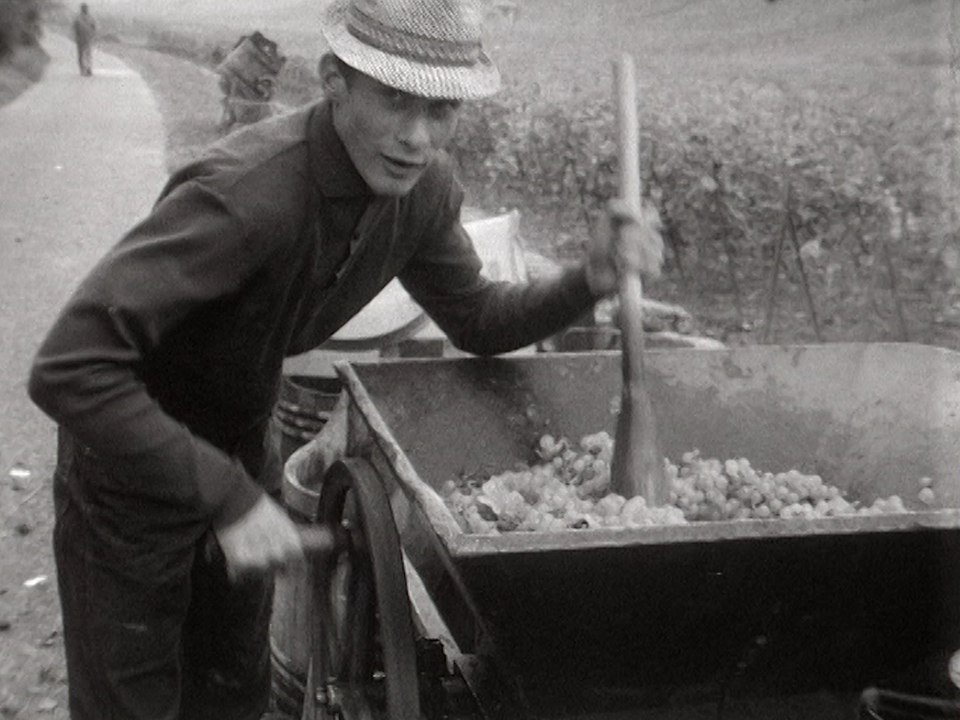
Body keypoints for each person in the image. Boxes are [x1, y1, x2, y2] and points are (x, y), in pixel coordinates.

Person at [27, 0, 663, 717]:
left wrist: (589, 280)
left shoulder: (420, 194)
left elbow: (479, 318)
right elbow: (70, 368)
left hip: (240, 447)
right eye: (394, 99)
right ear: (335, 79)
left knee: (233, 695)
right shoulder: (243, 196)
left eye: (442, 108)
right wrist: (227, 498)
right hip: (131, 469)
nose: (416, 138)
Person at [71, 3, 96, 77]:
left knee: (87, 54)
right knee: (82, 54)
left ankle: (88, 68)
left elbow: (93, 27)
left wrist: (92, 35)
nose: (85, 10)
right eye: (84, 8)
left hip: (87, 39)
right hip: (81, 39)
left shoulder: (90, 18)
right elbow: (75, 28)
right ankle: (83, 69)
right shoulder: (78, 19)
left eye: (86, 8)